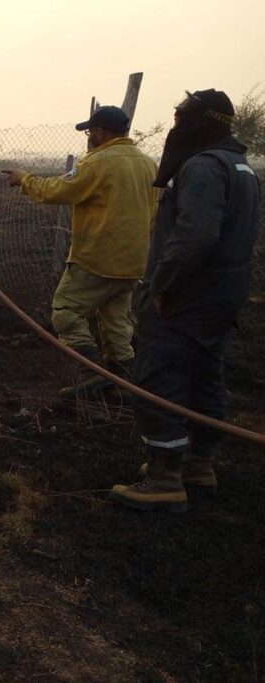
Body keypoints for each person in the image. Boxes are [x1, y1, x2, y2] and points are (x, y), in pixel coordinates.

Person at [109, 89, 261, 512]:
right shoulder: (240, 165)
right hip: (222, 295)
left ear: (198, 123)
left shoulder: (202, 167)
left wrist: (162, 285)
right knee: (204, 374)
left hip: (187, 295)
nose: (174, 126)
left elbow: (194, 237)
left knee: (160, 375)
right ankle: (199, 464)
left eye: (180, 118)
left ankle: (164, 478)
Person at [4, 105, 158, 397]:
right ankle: (124, 385)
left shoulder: (97, 163)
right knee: (115, 323)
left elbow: (58, 190)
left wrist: (24, 179)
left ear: (100, 132)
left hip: (97, 257)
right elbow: (153, 211)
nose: (89, 137)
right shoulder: (148, 164)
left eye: (91, 131)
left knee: (65, 311)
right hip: (133, 261)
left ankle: (97, 373)